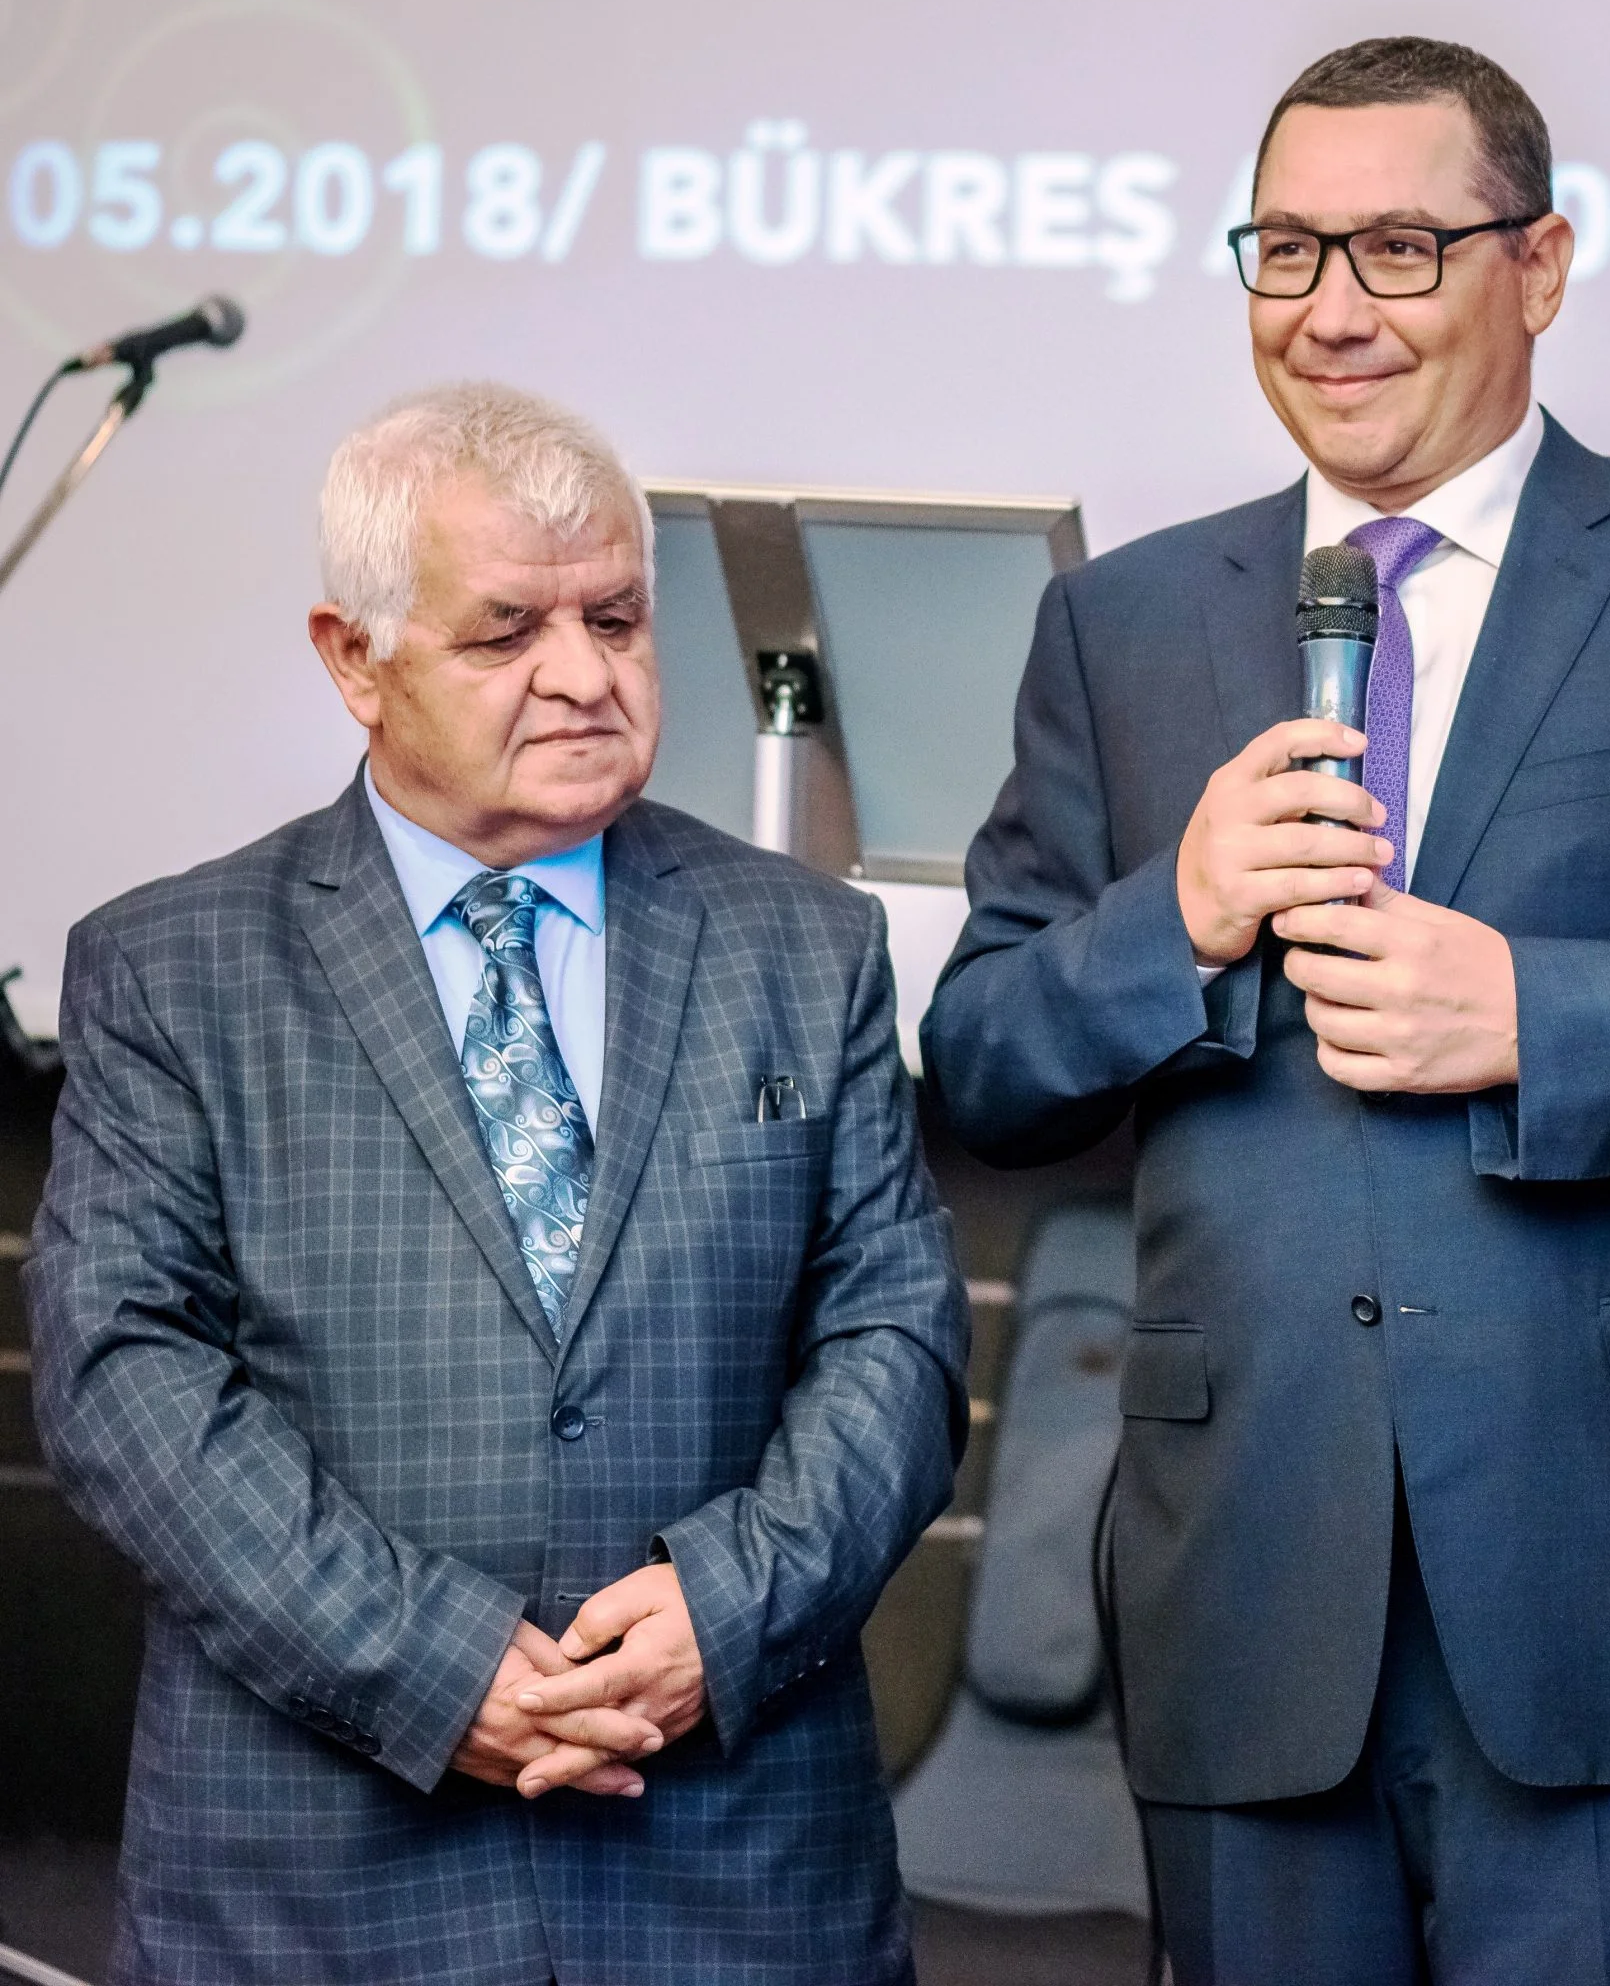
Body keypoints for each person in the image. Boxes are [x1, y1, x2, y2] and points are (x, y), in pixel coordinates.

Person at [922, 35, 1610, 1983]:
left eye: (1396, 249)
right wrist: (1175, 917)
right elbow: (983, 1059)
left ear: (1535, 267)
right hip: (1244, 1584)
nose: (1328, 310)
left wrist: (1539, 1019)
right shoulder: (1122, 622)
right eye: (1285, 252)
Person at [27, 382, 968, 1985]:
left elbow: (895, 1338)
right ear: (354, 659)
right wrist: (433, 1664)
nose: (585, 676)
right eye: (506, 632)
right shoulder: (174, 969)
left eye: (617, 618)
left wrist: (724, 1611)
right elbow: (127, 1381)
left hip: (735, 1872)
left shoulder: (804, 946)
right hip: (318, 1881)